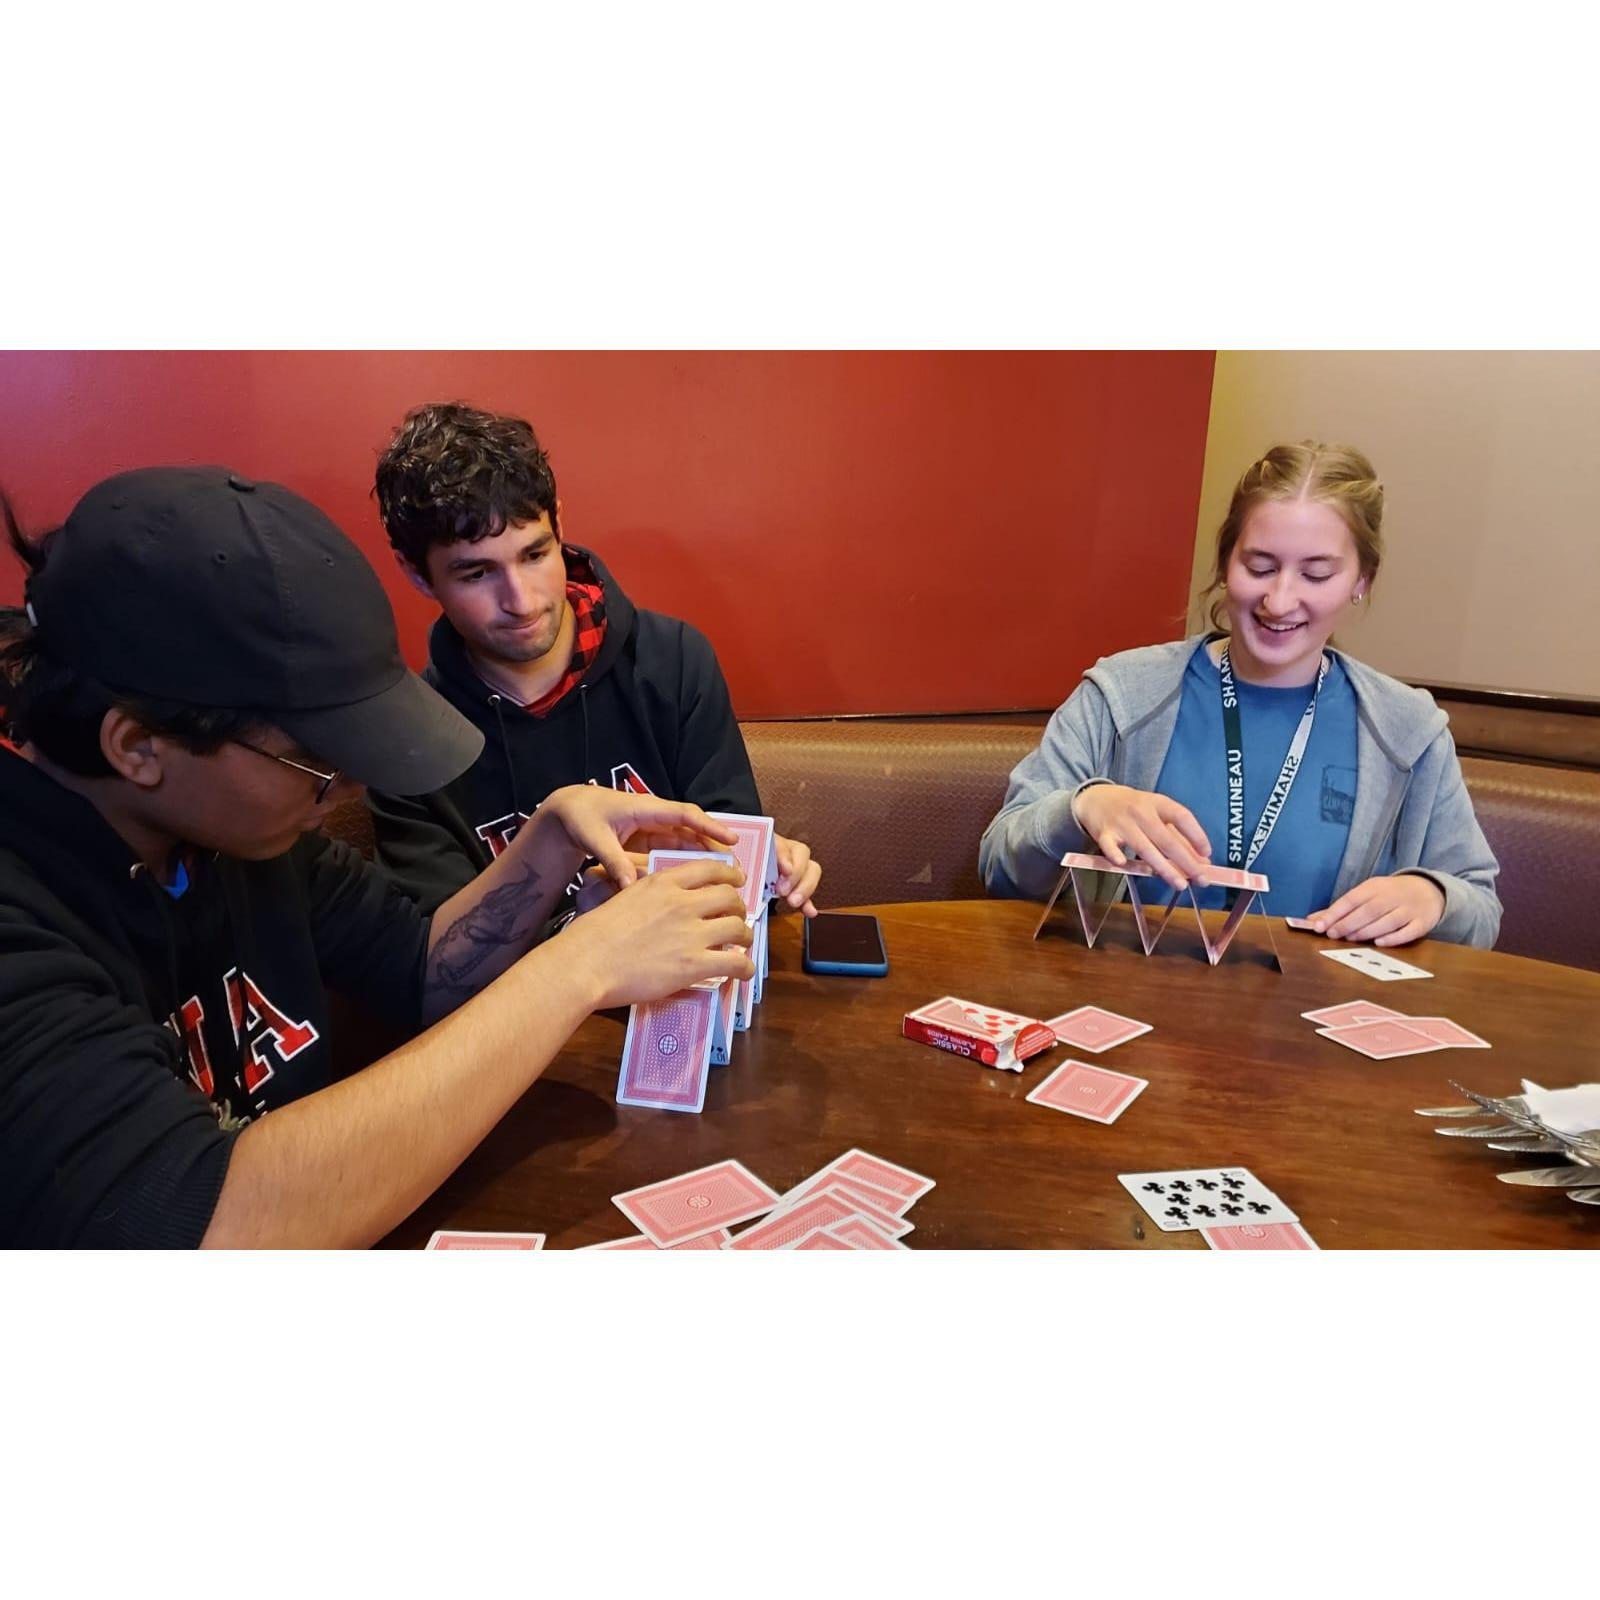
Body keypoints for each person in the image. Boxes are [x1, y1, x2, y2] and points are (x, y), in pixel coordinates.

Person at [0, 467, 754, 1248]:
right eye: (316, 759)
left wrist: (549, 843)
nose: (351, 785)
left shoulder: (234, 833)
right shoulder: (23, 919)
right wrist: (579, 967)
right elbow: (211, 1230)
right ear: (138, 747)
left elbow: (420, 968)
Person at [979, 442, 1501, 948]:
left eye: (1316, 573)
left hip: (1313, 1024)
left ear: (1361, 579)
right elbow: (999, 867)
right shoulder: (1123, 695)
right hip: (1122, 1009)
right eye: (1260, 567)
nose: (1280, 599)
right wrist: (1080, 807)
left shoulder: (1407, 730)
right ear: (1226, 562)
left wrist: (1433, 896)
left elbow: (1480, 910)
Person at [365, 401, 821, 917]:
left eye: (535, 555)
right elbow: (437, 961)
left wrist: (770, 874)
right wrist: (586, 921)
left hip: (686, 982)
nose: (521, 600)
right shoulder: (406, 746)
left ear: (558, 524)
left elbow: (733, 866)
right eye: (476, 575)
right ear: (417, 574)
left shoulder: (672, 662)